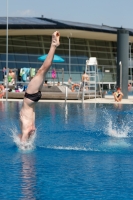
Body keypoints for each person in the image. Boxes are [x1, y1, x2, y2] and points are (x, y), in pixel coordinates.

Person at [19, 31, 60, 143]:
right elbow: (23, 136)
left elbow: (29, 127)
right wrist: (23, 142)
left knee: (43, 71)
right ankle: (53, 45)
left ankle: (54, 46)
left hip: (34, 99)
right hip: (29, 98)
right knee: (42, 70)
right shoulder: (26, 130)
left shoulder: (30, 128)